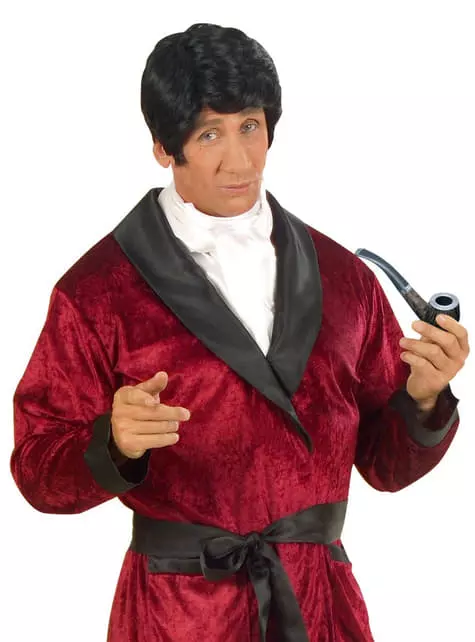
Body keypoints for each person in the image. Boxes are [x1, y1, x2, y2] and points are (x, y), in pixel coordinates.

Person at [11, 23, 469, 642]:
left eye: (250, 126)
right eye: (209, 134)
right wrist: (113, 444)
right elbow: (38, 472)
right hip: (178, 614)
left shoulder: (344, 279)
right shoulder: (96, 293)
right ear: (163, 147)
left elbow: (386, 467)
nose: (241, 160)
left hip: (318, 607)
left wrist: (423, 400)